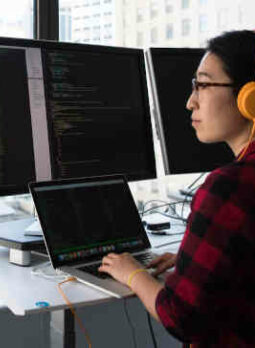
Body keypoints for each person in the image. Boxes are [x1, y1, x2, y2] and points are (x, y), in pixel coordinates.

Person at [98, 30, 255, 347]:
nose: (190, 101)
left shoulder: (230, 187)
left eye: (204, 84)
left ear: (249, 97)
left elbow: (181, 316)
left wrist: (132, 273)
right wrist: (194, 262)